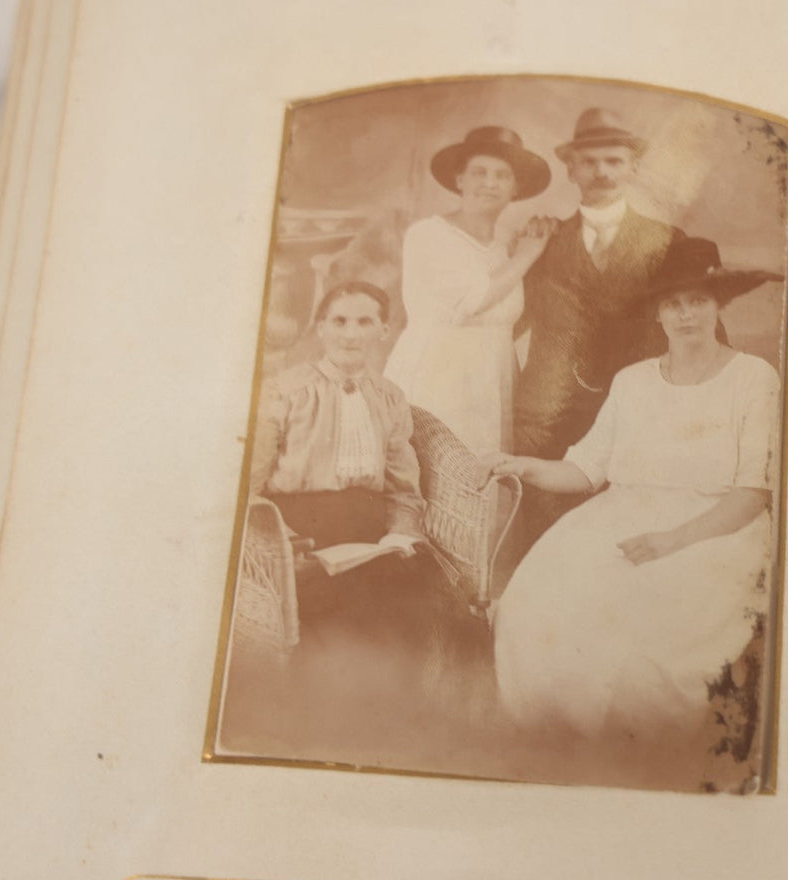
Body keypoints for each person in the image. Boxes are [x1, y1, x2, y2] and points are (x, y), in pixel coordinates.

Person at [490, 237, 784, 738]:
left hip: (715, 529)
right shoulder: (633, 381)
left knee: (642, 623)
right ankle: (557, 740)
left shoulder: (753, 378)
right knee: (536, 600)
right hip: (619, 516)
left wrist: (670, 541)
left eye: (698, 301)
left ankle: (634, 752)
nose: (686, 314)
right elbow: (586, 469)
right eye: (673, 303)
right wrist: (521, 465)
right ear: (657, 313)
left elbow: (751, 494)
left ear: (718, 306)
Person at [250, 281, 475, 656]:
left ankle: (400, 703)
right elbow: (247, 488)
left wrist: (400, 536)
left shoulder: (389, 397)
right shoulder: (285, 391)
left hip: (370, 531)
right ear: (320, 327)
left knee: (418, 595)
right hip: (298, 530)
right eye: (338, 321)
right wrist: (285, 541)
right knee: (335, 610)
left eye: (364, 322)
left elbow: (404, 489)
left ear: (383, 330)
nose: (351, 334)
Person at [511, 107, 688, 542]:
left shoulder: (668, 242)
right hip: (548, 419)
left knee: (624, 543)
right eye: (589, 161)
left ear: (633, 169)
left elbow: (696, 334)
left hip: (636, 416)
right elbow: (505, 323)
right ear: (570, 169)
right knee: (544, 546)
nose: (602, 171)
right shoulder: (539, 241)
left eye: (614, 161)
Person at [384, 126, 554, 456]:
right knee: (441, 477)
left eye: (502, 175)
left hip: (494, 377)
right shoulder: (429, 235)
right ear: (460, 180)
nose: (489, 183)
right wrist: (530, 253)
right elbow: (475, 300)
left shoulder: (507, 242)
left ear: (516, 188)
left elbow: (511, 316)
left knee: (489, 479)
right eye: (479, 172)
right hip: (439, 373)